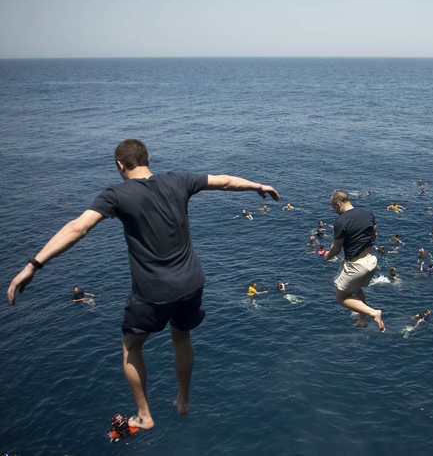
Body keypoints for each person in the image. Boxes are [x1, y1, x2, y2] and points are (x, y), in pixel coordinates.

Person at [7, 139, 280, 431]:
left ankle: (144, 414)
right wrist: (257, 185)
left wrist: (33, 265)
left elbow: (79, 227)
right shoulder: (179, 180)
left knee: (131, 346)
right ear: (147, 159)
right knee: (182, 337)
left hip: (154, 290)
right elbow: (224, 181)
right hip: (191, 281)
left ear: (119, 165)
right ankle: (183, 399)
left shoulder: (116, 194)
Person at [323, 190, 384, 332]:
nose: (335, 211)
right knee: (356, 290)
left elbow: (336, 249)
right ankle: (362, 320)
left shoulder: (341, 221)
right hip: (370, 261)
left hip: (356, 265)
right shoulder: (367, 213)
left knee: (341, 297)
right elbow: (375, 234)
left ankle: (374, 313)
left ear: (338, 204)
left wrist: (327, 256)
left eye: (334, 208)